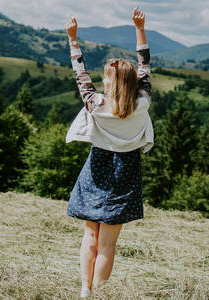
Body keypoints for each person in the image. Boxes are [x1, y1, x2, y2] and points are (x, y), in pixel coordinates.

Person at [64, 7, 153, 298]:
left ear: (110, 83)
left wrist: (73, 39)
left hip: (98, 168)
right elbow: (145, 64)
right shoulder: (143, 102)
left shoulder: (96, 104)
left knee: (90, 234)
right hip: (126, 171)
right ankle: (99, 294)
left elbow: (80, 71)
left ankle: (85, 289)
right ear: (132, 83)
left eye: (105, 78)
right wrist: (139, 28)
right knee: (108, 244)